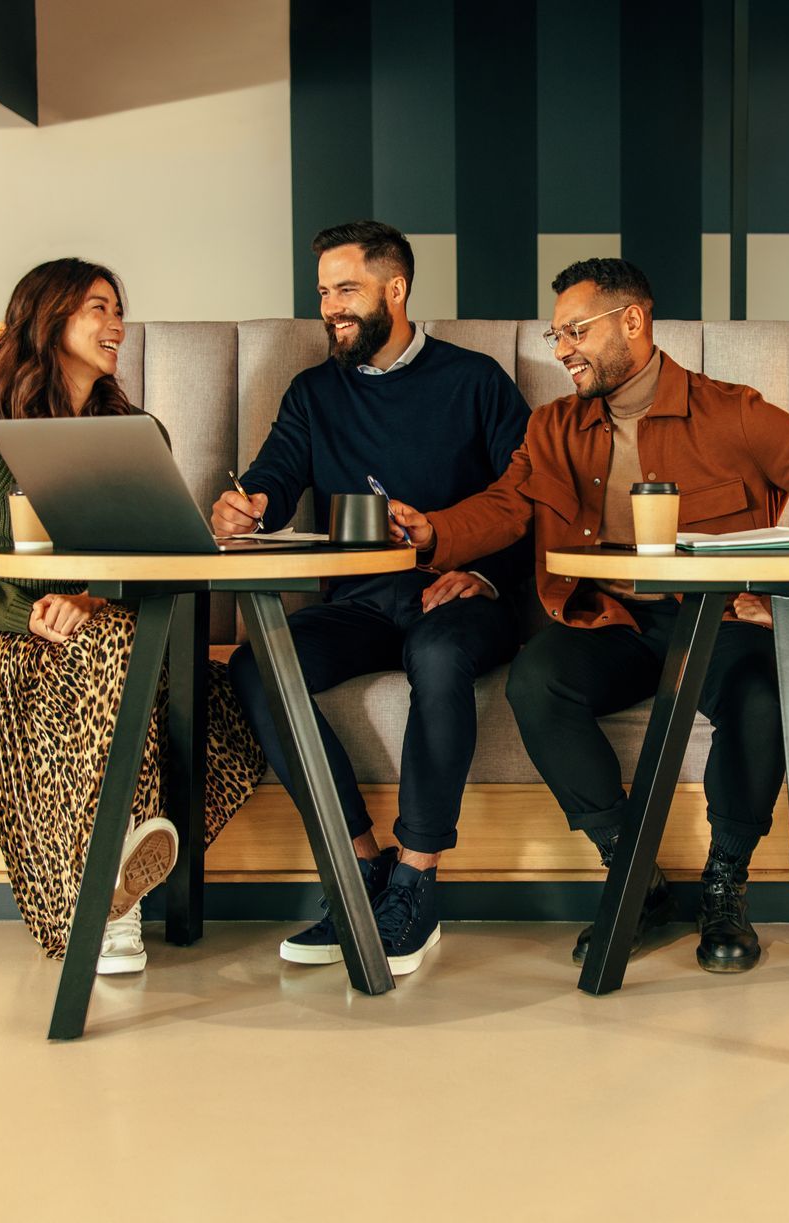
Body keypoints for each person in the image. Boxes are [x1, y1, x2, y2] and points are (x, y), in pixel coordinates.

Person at [388, 258, 789, 973]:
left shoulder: (734, 413)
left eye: (575, 330)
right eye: (553, 333)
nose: (560, 348)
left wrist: (780, 591)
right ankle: (634, 876)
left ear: (632, 321)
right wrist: (431, 532)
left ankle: (726, 884)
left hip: (718, 625)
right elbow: (505, 508)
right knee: (537, 681)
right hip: (614, 624)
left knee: (762, 691)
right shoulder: (553, 426)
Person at [0, 258, 265, 974]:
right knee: (112, 651)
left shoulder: (139, 433)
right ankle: (113, 909)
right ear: (50, 319)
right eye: (98, 308)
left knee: (241, 712)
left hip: (113, 644)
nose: (117, 325)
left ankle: (104, 893)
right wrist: (26, 613)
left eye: (119, 309)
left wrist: (94, 602)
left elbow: (161, 562)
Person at [212, 221, 529, 975]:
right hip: (358, 603)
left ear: (396, 289)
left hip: (459, 595)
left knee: (440, 651)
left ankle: (418, 881)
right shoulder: (314, 392)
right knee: (258, 666)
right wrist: (246, 504)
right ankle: (362, 869)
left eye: (346, 289)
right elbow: (275, 476)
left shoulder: (476, 380)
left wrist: (481, 574)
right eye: (323, 292)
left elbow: (530, 496)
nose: (331, 308)